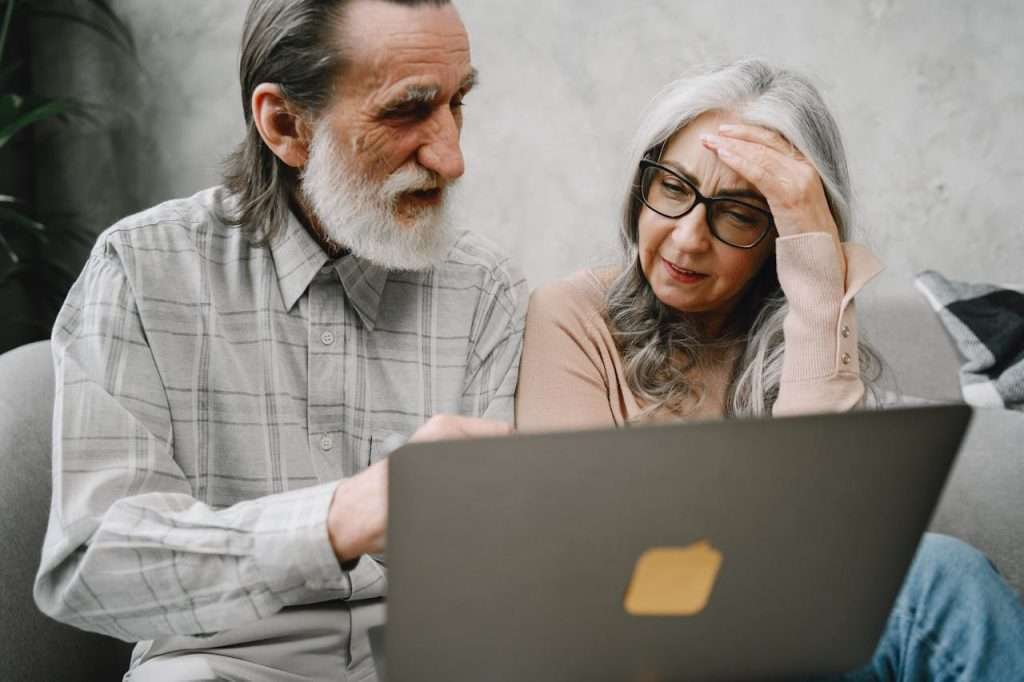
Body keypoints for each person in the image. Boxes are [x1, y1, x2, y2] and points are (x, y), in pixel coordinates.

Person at [33, 1, 525, 680]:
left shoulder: (486, 287)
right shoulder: (142, 268)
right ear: (285, 125)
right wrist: (336, 519)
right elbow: (95, 564)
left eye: (457, 102)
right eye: (408, 111)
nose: (452, 157)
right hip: (216, 660)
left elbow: (503, 565)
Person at [516, 60, 1024, 680]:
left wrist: (816, 270)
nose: (687, 238)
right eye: (673, 187)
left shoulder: (808, 329)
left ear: (780, 236)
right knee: (940, 579)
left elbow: (830, 546)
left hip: (792, 642)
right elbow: (590, 556)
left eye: (738, 213)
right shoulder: (572, 314)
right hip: (651, 653)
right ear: (639, 184)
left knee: (946, 579)